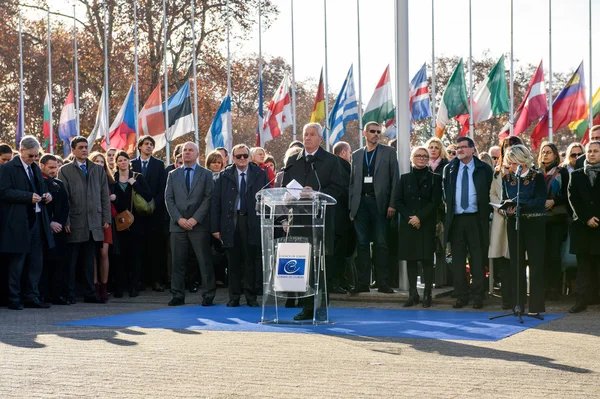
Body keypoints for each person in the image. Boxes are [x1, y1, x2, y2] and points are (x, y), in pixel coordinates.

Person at [281, 122, 344, 320]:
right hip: (298, 220)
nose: (307, 137)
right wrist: (288, 197)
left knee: (320, 266)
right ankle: (307, 307)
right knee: (303, 266)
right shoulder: (293, 160)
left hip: (320, 221)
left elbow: (338, 189)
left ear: (320, 139)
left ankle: (321, 307)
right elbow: (284, 189)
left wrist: (316, 194)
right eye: (305, 134)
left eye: (312, 134)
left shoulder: (331, 161)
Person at [0, 136, 54, 310]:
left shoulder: (35, 168)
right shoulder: (8, 168)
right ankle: (14, 297)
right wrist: (27, 197)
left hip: (37, 219)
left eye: (36, 156)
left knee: (36, 261)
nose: (33, 159)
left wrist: (47, 195)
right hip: (19, 221)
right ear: (21, 150)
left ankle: (32, 295)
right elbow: (4, 192)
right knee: (18, 261)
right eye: (30, 156)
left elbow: (42, 188)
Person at [211, 144, 268, 307]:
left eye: (245, 156)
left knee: (250, 260)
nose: (242, 159)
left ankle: (251, 297)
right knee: (233, 261)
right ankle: (234, 297)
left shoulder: (260, 174)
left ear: (250, 157)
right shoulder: (224, 175)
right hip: (230, 221)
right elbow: (216, 202)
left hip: (252, 221)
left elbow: (266, 197)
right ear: (233, 158)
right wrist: (215, 228)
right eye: (238, 156)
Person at [442, 136, 493, 309]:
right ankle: (461, 295)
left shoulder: (484, 168)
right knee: (457, 260)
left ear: (473, 149)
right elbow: (445, 192)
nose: (460, 150)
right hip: (456, 220)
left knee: (477, 260)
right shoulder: (449, 169)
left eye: (464, 147)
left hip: (476, 219)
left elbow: (489, 192)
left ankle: (478, 295)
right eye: (458, 147)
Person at [58, 136, 111, 304]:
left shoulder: (97, 169)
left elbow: (104, 195)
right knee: (71, 262)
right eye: (80, 147)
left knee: (90, 261)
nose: (84, 150)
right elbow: (63, 198)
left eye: (86, 147)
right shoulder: (65, 170)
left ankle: (90, 294)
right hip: (74, 221)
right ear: (72, 150)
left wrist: (106, 218)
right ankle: (69, 294)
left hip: (93, 222)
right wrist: (65, 220)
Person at [349, 121, 400, 295]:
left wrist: (393, 204)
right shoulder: (356, 155)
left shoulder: (389, 152)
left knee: (381, 244)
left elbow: (395, 180)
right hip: (361, 204)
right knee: (362, 244)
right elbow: (352, 183)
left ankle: (383, 282)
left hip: (381, 204)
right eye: (372, 131)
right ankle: (362, 283)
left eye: (379, 131)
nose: (376, 134)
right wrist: (351, 207)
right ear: (365, 133)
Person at [165, 142, 216, 306]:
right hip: (177, 226)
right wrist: (179, 219)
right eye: (184, 150)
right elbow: (169, 199)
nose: (187, 153)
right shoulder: (172, 175)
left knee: (204, 261)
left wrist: (195, 219)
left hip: (198, 226)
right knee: (177, 263)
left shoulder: (207, 174)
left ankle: (208, 295)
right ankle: (178, 295)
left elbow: (209, 198)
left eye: (190, 150)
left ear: (197, 154)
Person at [501, 144, 546, 315]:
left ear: (523, 160)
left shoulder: (537, 177)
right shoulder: (508, 179)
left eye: (515, 162)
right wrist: (507, 208)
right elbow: (506, 198)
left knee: (536, 264)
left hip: (534, 223)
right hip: (515, 224)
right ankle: (517, 305)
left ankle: (535, 307)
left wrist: (521, 204)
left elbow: (540, 200)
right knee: (516, 264)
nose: (512, 167)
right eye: (510, 163)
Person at [397, 146, 442, 308]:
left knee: (427, 260)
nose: (421, 158)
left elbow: (435, 201)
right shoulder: (404, 178)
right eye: (418, 155)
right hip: (409, 224)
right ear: (412, 158)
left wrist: (419, 217)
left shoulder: (435, 178)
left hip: (426, 224)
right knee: (411, 260)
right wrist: (411, 218)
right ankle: (413, 294)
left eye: (424, 156)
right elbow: (398, 201)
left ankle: (427, 293)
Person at [112, 151, 153, 298]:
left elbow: (148, 196)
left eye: (125, 159)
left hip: (136, 222)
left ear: (129, 161)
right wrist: (113, 198)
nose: (122, 162)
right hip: (119, 222)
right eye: (120, 160)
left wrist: (135, 184)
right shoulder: (113, 179)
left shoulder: (137, 177)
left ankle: (134, 286)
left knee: (136, 256)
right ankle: (119, 287)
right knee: (119, 256)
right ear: (116, 163)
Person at [489, 136, 523, 309]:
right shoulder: (497, 171)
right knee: (503, 260)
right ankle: (506, 299)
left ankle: (519, 298)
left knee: (517, 259)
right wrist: (501, 208)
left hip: (519, 218)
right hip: (501, 218)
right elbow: (492, 194)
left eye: (513, 145)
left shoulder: (526, 170)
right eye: (506, 146)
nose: (509, 149)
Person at [131, 136, 167, 293]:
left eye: (151, 144)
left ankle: (156, 280)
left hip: (154, 213)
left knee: (155, 248)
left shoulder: (159, 164)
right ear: (139, 146)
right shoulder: (132, 164)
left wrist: (153, 204)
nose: (149, 147)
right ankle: (138, 280)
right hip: (136, 214)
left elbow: (162, 188)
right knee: (137, 248)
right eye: (146, 144)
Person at [568, 141, 600, 313]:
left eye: (595, 151)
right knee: (583, 268)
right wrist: (587, 218)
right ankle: (580, 301)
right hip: (582, 227)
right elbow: (573, 200)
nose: (592, 154)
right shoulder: (577, 175)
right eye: (589, 151)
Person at [538, 141, 570, 300]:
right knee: (541, 255)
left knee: (554, 255)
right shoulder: (536, 173)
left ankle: (554, 289)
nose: (545, 154)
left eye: (549, 152)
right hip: (540, 220)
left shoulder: (562, 172)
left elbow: (568, 195)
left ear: (555, 155)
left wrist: (554, 201)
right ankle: (542, 289)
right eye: (543, 152)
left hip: (557, 219)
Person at [39, 154, 70, 305]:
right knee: (43, 264)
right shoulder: (36, 183)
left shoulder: (59, 184)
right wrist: (49, 223)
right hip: (43, 231)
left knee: (59, 263)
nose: (53, 170)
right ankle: (43, 295)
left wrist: (60, 223)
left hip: (59, 231)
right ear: (42, 166)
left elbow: (66, 206)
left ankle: (57, 295)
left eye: (55, 167)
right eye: (50, 167)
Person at [90, 152, 115, 302]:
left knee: (104, 254)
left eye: (101, 161)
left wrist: (106, 218)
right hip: (91, 220)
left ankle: (104, 286)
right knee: (92, 255)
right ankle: (95, 286)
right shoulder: (89, 178)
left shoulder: (109, 180)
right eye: (96, 161)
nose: (99, 163)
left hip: (105, 221)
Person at [330, 141, 353, 294]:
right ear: (344, 153)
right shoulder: (340, 167)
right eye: (350, 152)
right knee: (338, 251)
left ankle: (340, 280)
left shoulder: (336, 166)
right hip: (340, 216)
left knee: (342, 250)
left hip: (341, 216)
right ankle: (334, 282)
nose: (351, 156)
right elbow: (344, 190)